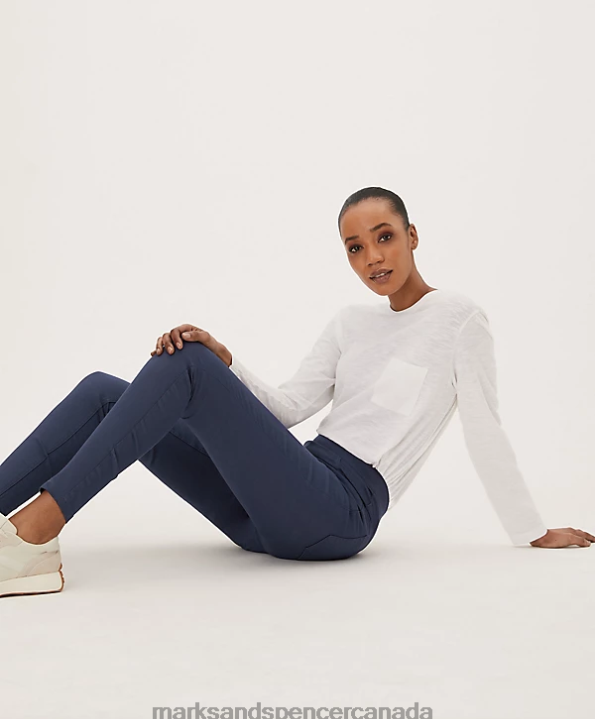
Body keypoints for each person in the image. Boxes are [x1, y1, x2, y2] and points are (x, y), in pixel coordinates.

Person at [1, 187, 592, 598]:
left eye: (385, 237)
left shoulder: (459, 319)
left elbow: (484, 426)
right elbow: (286, 410)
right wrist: (227, 360)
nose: (373, 257)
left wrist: (531, 529)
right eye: (355, 247)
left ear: (412, 236)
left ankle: (32, 535)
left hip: (340, 511)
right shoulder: (350, 324)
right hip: (277, 505)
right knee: (104, 392)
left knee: (188, 364)